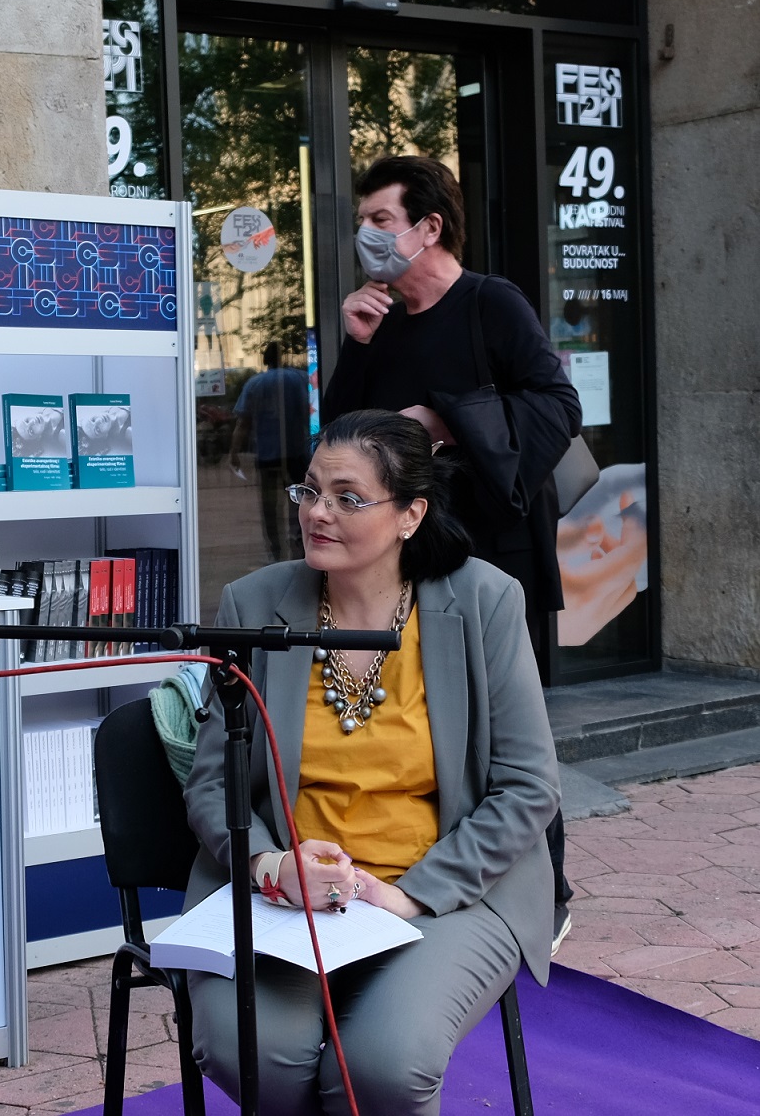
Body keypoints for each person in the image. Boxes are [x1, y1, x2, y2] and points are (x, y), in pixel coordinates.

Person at [183, 409, 560, 1115]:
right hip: (284, 898)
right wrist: (270, 866)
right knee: (255, 1055)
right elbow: (212, 781)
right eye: (309, 491)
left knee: (382, 1065)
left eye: (347, 498)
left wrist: (409, 893)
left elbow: (528, 786)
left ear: (410, 514)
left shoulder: (484, 601)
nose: (316, 513)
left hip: (445, 891)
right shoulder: (254, 604)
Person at [321, 154, 581, 949]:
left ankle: (546, 893)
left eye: (380, 220)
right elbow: (339, 440)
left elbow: (555, 403)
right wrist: (355, 345)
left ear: (428, 226)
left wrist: (442, 420)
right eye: (362, 222)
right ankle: (438, 878)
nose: (366, 235)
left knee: (510, 731)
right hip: (406, 560)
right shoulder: (379, 323)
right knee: (434, 726)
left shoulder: (488, 303)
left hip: (496, 551)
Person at [228, 341, 311, 562]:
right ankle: (299, 545)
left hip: (267, 454)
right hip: (296, 452)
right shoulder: (299, 379)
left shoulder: (255, 383)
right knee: (299, 501)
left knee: (270, 507)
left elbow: (243, 423)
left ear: (265, 359)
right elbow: (310, 412)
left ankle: (275, 552)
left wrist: (234, 452)